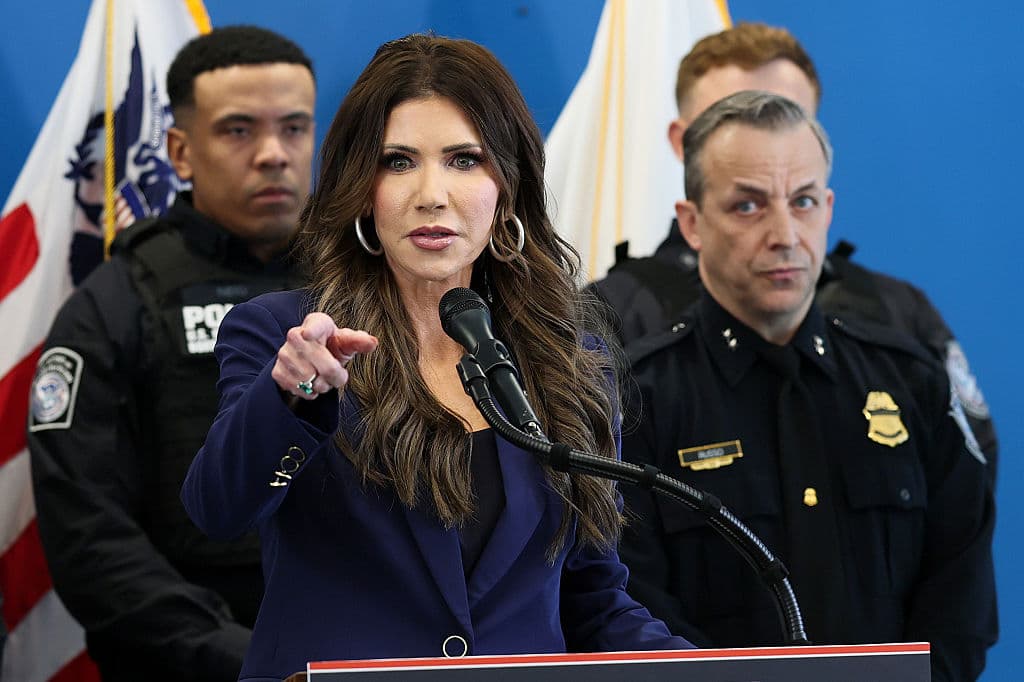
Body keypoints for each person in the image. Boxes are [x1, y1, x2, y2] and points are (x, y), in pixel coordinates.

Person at [181, 33, 693, 681]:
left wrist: (693, 667)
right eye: (398, 162)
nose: (431, 193)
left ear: (507, 186)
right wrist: (293, 397)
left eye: (463, 159)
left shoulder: (569, 362)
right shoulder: (282, 333)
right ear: (361, 187)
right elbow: (218, 510)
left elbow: (589, 598)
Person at [619, 91, 997, 681]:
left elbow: (960, 604)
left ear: (828, 207)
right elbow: (631, 607)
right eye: (748, 206)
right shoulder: (636, 401)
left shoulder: (912, 381)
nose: (785, 234)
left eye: (803, 202)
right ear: (692, 224)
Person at [27, 26, 315, 681]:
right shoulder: (115, 306)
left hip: (354, 650)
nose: (274, 154)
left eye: (294, 128)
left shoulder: (369, 288)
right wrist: (238, 659)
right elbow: (88, 534)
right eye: (239, 131)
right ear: (180, 152)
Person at [588, 22, 997, 472]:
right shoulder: (609, 319)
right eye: (729, 119)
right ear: (681, 141)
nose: (765, 139)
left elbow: (966, 485)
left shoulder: (897, 314)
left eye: (786, 118)